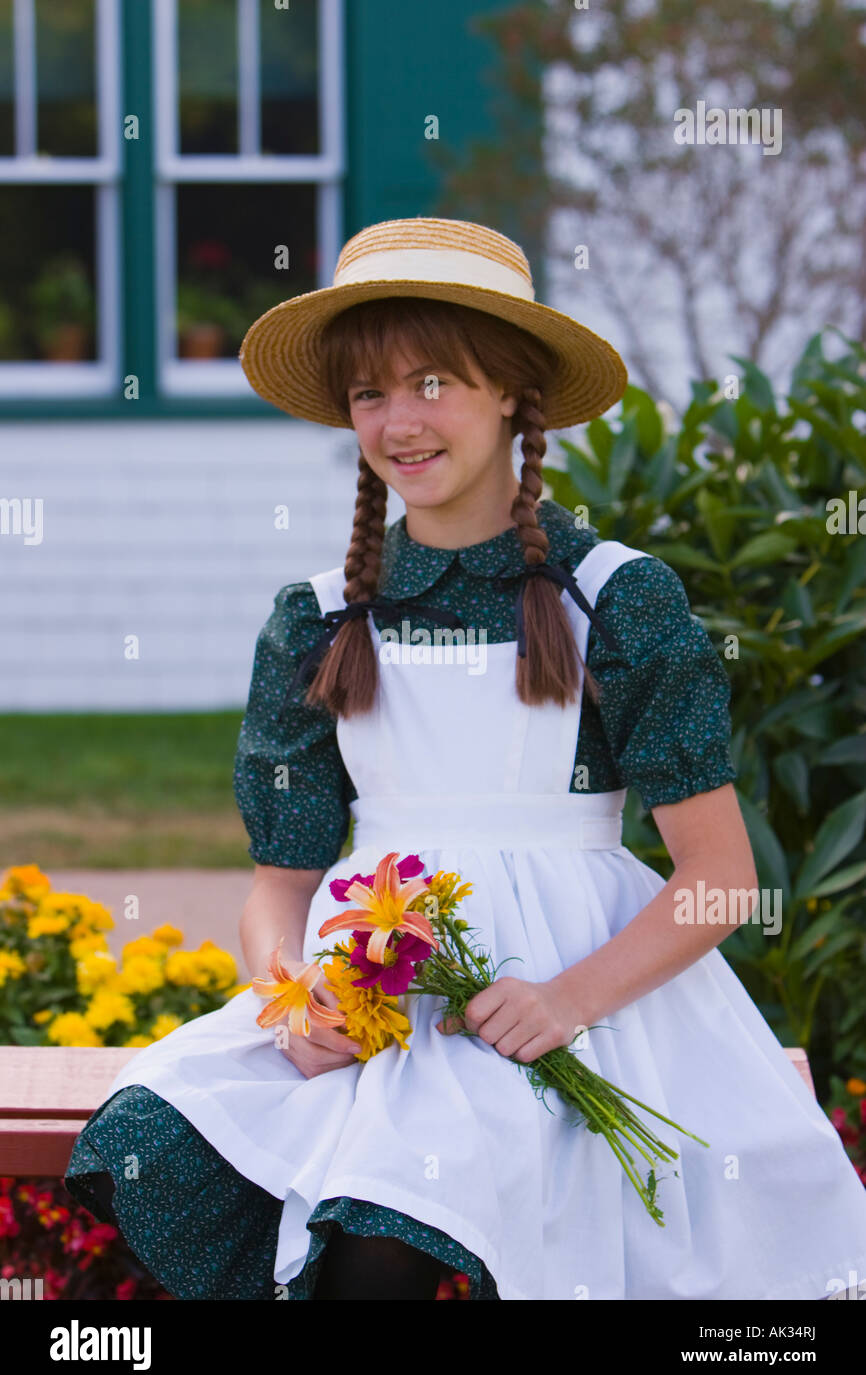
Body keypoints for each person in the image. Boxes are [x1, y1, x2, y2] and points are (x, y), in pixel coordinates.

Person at [65, 217, 866, 1301]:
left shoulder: (615, 601)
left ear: (511, 392)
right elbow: (278, 888)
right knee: (174, 1140)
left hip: (565, 1012)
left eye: (432, 381)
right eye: (367, 395)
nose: (398, 422)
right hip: (376, 1016)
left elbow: (719, 879)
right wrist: (291, 997)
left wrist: (566, 999)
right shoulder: (316, 620)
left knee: (386, 1244)